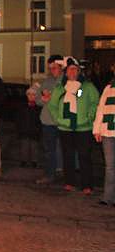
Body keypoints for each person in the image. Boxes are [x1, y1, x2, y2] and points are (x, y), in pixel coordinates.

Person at [49, 57, 99, 194]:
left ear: (78, 72)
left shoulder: (87, 87)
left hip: (83, 128)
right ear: (65, 72)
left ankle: (87, 185)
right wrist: (58, 119)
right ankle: (69, 182)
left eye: (75, 70)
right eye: (70, 69)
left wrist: (89, 117)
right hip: (65, 128)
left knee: (84, 157)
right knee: (68, 156)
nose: (72, 72)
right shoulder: (60, 88)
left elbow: (95, 103)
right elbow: (52, 105)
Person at [36, 55, 65, 184]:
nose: (52, 70)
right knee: (49, 150)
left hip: (63, 121)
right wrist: (43, 99)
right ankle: (50, 174)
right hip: (48, 121)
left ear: (61, 67)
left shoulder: (67, 81)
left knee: (65, 148)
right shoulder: (46, 82)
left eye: (54, 67)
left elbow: (76, 97)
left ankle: (64, 172)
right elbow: (37, 99)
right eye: (50, 68)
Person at [93, 73, 115, 206]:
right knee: (110, 167)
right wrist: (97, 129)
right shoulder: (108, 88)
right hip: (107, 131)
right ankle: (107, 197)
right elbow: (101, 108)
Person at [16, 86, 42, 168]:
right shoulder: (23, 106)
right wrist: (19, 128)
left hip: (35, 130)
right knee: (24, 146)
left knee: (34, 146)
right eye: (29, 94)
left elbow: (40, 119)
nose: (31, 96)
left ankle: (34, 161)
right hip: (24, 130)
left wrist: (39, 129)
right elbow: (19, 118)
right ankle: (23, 161)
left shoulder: (39, 107)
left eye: (33, 95)